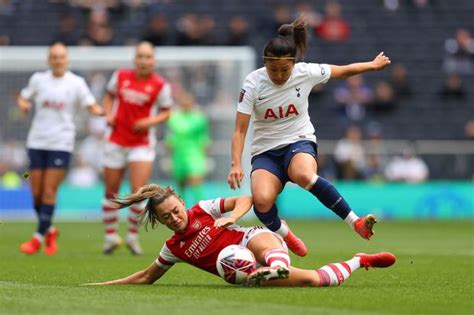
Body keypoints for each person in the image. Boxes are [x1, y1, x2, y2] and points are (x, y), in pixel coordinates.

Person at [227, 16, 391, 257]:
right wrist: (235, 164)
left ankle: (355, 222)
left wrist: (372, 65)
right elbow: (240, 129)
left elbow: (343, 71)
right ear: (265, 64)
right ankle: (286, 234)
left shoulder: (305, 72)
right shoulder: (253, 83)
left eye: (285, 69)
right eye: (274, 70)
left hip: (298, 140)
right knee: (261, 201)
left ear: (293, 64)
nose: (280, 75)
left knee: (304, 175)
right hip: (265, 152)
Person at [85, 184, 396, 287]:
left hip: (250, 240)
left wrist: (232, 218)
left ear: (180, 201)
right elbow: (145, 277)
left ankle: (275, 263)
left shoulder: (202, 209)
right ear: (162, 222)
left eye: (175, 209)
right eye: (167, 217)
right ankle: (359, 260)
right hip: (243, 272)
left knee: (260, 241)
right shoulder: (173, 249)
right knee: (317, 280)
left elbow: (245, 199)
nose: (175, 217)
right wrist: (101, 286)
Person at [17, 42, 104, 255]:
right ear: (49, 59)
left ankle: (37, 238)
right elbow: (23, 96)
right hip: (37, 142)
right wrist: (23, 104)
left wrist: (101, 112)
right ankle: (51, 230)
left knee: (48, 190)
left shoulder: (76, 83)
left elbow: (90, 104)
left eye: (61, 56)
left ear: (67, 60)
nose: (57, 60)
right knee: (36, 193)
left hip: (61, 143)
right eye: (54, 56)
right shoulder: (38, 80)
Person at [101, 41, 173, 255]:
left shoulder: (160, 85)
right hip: (116, 139)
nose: (143, 60)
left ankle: (132, 236)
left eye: (148, 56)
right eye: (140, 56)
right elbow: (108, 96)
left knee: (138, 192)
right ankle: (110, 236)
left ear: (154, 60)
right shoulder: (120, 76)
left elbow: (167, 111)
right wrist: (108, 113)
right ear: (135, 59)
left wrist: (149, 122)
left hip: (141, 144)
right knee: (111, 190)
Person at [165, 92, 210, 205]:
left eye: (188, 101)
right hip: (179, 154)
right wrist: (169, 156)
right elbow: (170, 138)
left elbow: (204, 138)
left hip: (194, 154)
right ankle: (182, 210)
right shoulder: (174, 118)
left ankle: (202, 210)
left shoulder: (199, 118)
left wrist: (205, 157)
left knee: (196, 181)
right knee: (181, 184)